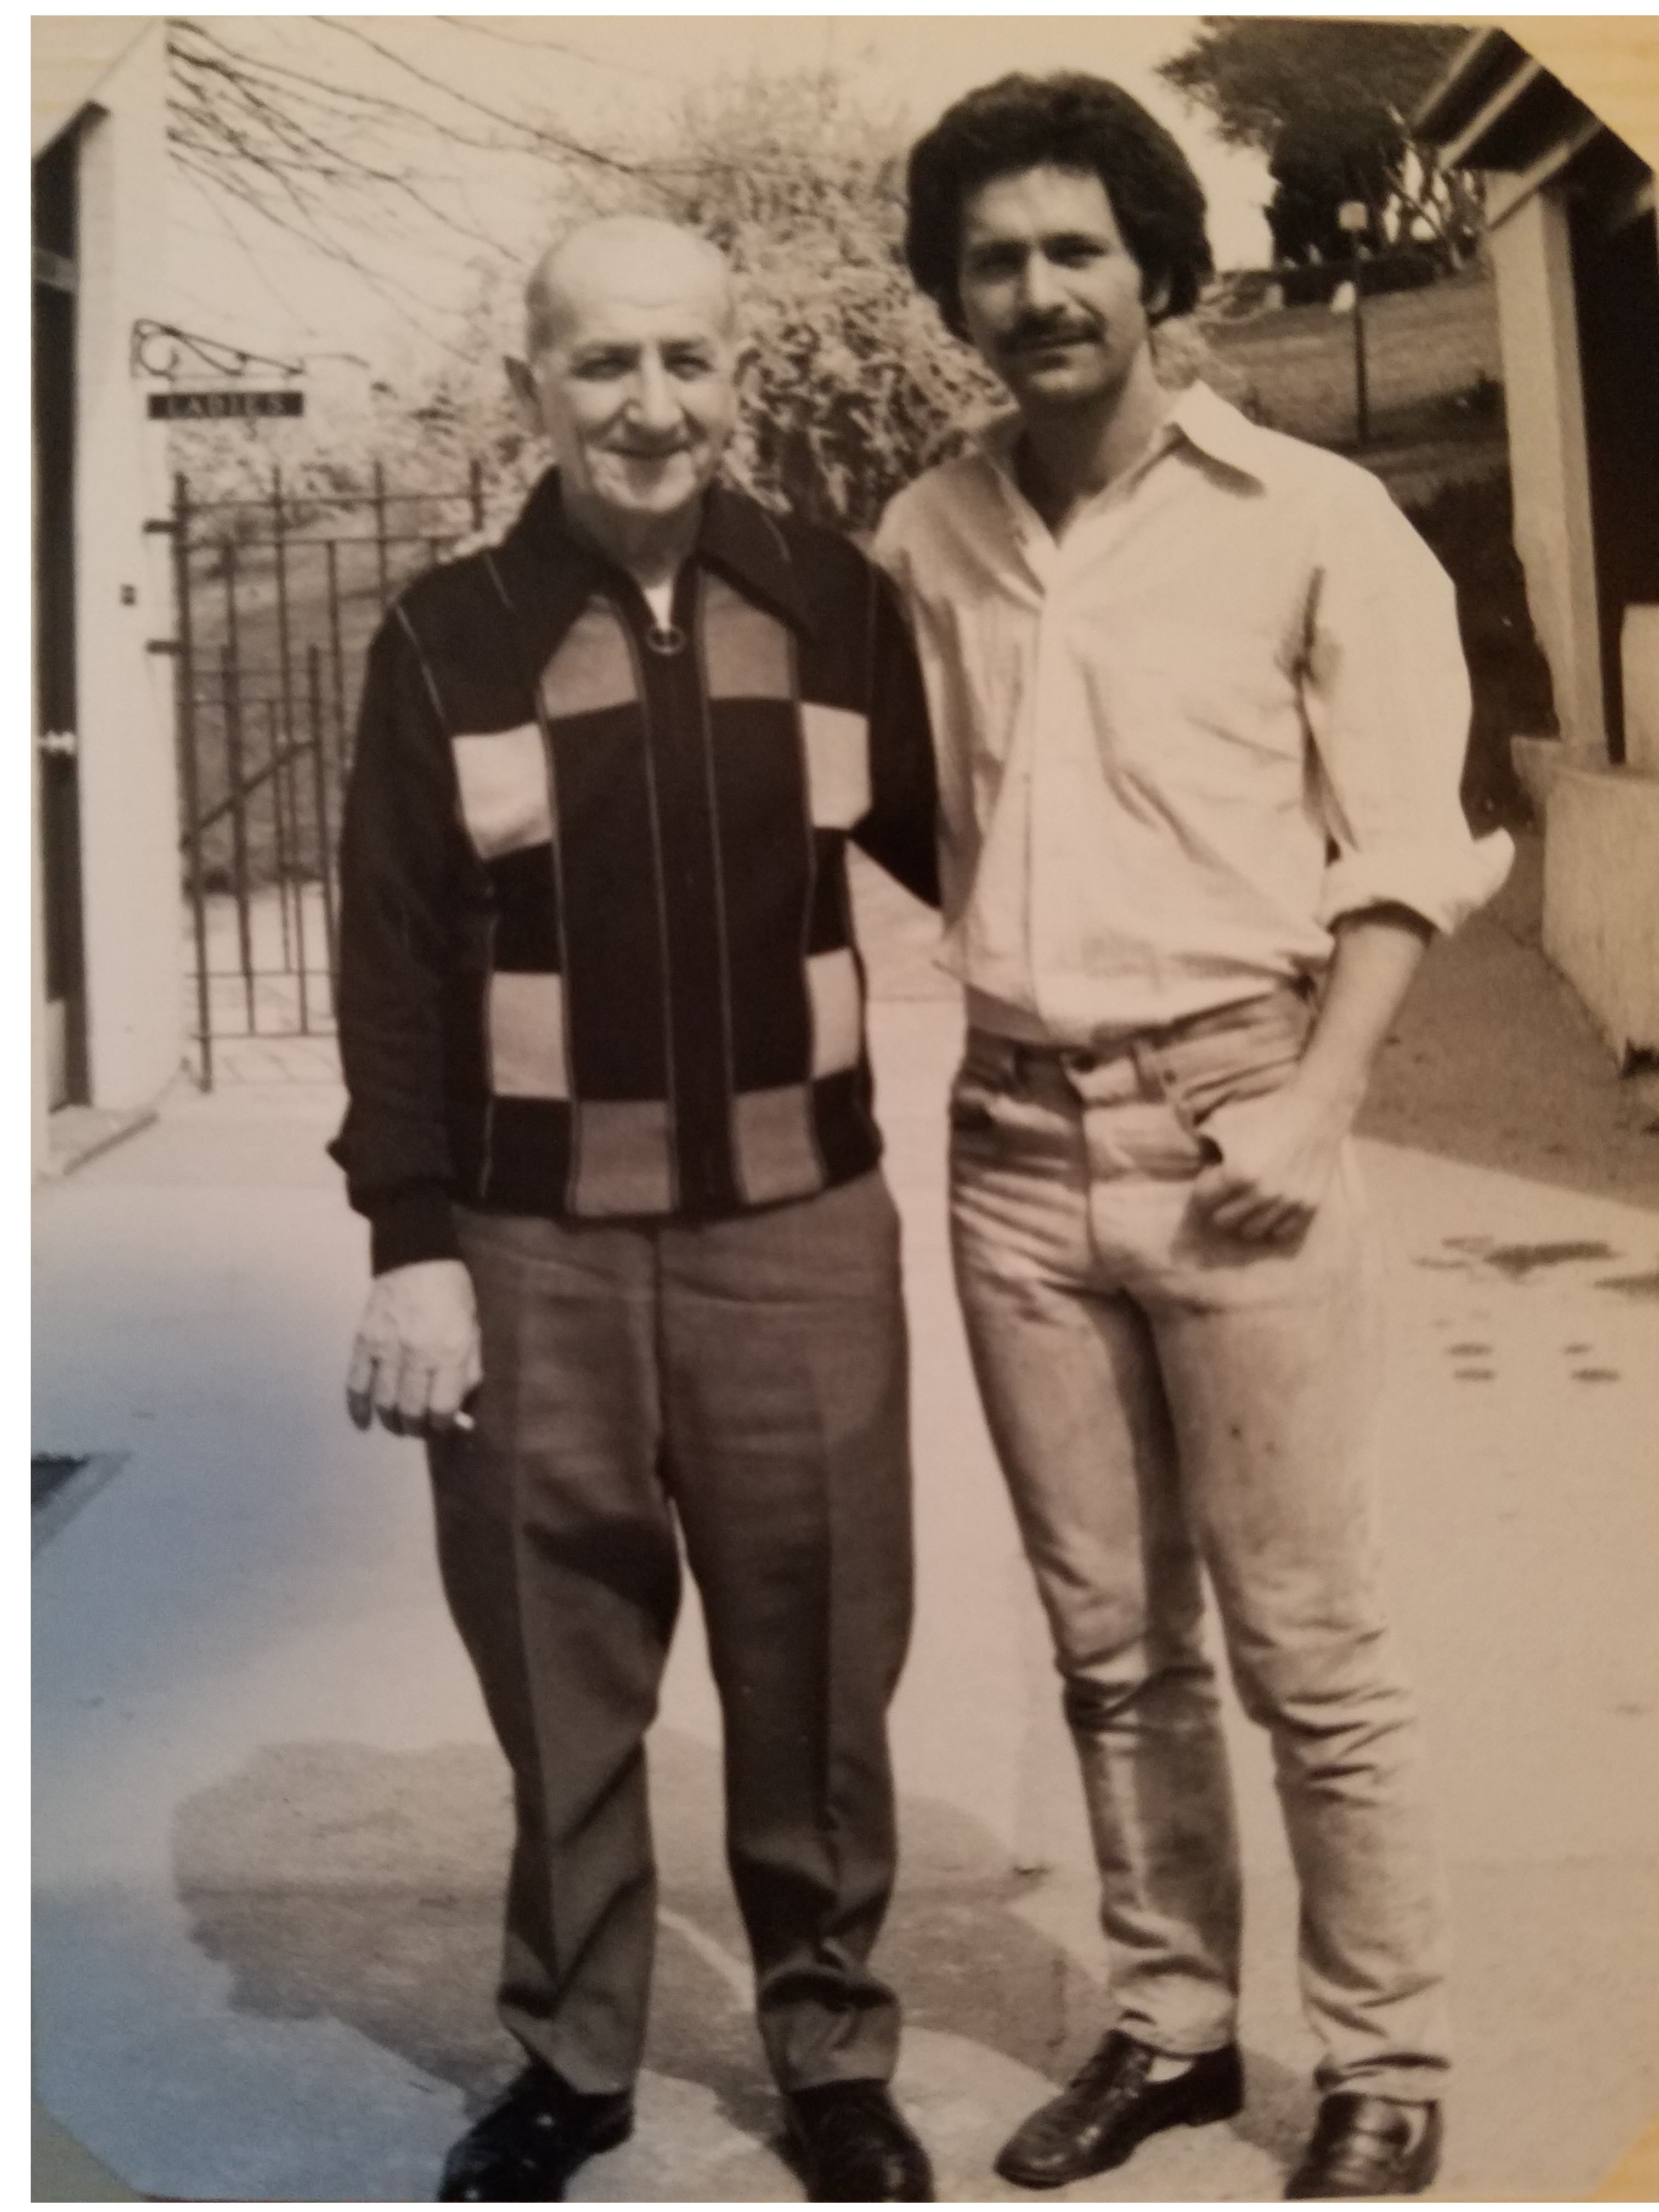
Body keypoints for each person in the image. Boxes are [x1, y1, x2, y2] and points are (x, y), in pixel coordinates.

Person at [874, 74, 1511, 2203]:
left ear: (1158, 265)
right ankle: (1168, 2022)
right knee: (1112, 1645)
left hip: (1245, 1125)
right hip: (1014, 1152)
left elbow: (1410, 846)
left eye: (1076, 248)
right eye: (995, 259)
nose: (1039, 289)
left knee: (1309, 1648)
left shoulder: (1316, 520)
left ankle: (1386, 2060)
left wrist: (1322, 1102)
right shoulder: (926, 529)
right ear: (953, 296)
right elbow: (885, 801)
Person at [330, 215, 939, 2207]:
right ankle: (575, 2061)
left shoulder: (841, 605)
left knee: (821, 1659)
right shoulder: (445, 632)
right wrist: (409, 1240)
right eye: (606, 365)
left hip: (798, 1224)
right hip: (530, 1245)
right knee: (560, 1661)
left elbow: (991, 859)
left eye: (689, 362)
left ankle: (832, 2053)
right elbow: (395, 957)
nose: (652, 407)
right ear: (536, 386)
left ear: (739, 380)